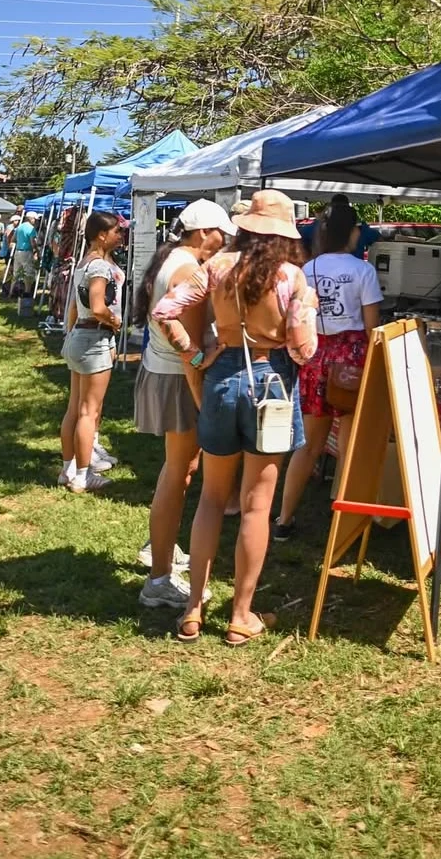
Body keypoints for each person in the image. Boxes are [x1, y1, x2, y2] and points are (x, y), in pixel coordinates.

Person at [151, 190, 317, 646]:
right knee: (257, 505)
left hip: (222, 377)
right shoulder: (292, 277)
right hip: (272, 382)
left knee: (210, 497)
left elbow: (165, 310)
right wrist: (304, 318)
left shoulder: (217, 266)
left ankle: (193, 609)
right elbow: (304, 350)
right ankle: (241, 615)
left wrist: (195, 353)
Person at [133, 199, 237, 609]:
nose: (224, 240)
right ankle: (159, 577)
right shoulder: (187, 270)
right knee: (178, 474)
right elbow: (189, 352)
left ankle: (161, 548)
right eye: (220, 233)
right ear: (203, 232)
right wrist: (205, 404)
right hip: (178, 380)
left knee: (177, 472)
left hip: (165, 373)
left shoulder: (172, 259)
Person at [274, 199, 383, 540]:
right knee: (349, 446)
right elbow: (372, 327)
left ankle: (283, 519)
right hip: (352, 359)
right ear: (353, 232)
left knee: (308, 446)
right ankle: (345, 525)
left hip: (315, 355)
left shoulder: (307, 269)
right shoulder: (363, 271)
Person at [57, 212, 124, 493]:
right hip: (94, 338)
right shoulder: (99, 268)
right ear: (102, 235)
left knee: (75, 407)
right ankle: (84, 476)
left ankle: (68, 469)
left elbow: (76, 306)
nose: (120, 236)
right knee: (88, 411)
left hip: (79, 336)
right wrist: (114, 320)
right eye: (117, 231)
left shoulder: (84, 263)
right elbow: (97, 307)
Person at [300, 193, 381, 260]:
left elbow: (299, 241)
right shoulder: (361, 229)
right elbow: (380, 240)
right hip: (354, 269)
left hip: (322, 268)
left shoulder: (317, 227)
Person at [12, 211, 39, 293]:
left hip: (18, 251)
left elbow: (13, 239)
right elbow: (33, 242)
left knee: (16, 272)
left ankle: (11, 291)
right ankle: (27, 292)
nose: (35, 221)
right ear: (31, 219)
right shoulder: (31, 229)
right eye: (35, 219)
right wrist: (36, 251)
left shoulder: (19, 227)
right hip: (27, 252)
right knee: (28, 272)